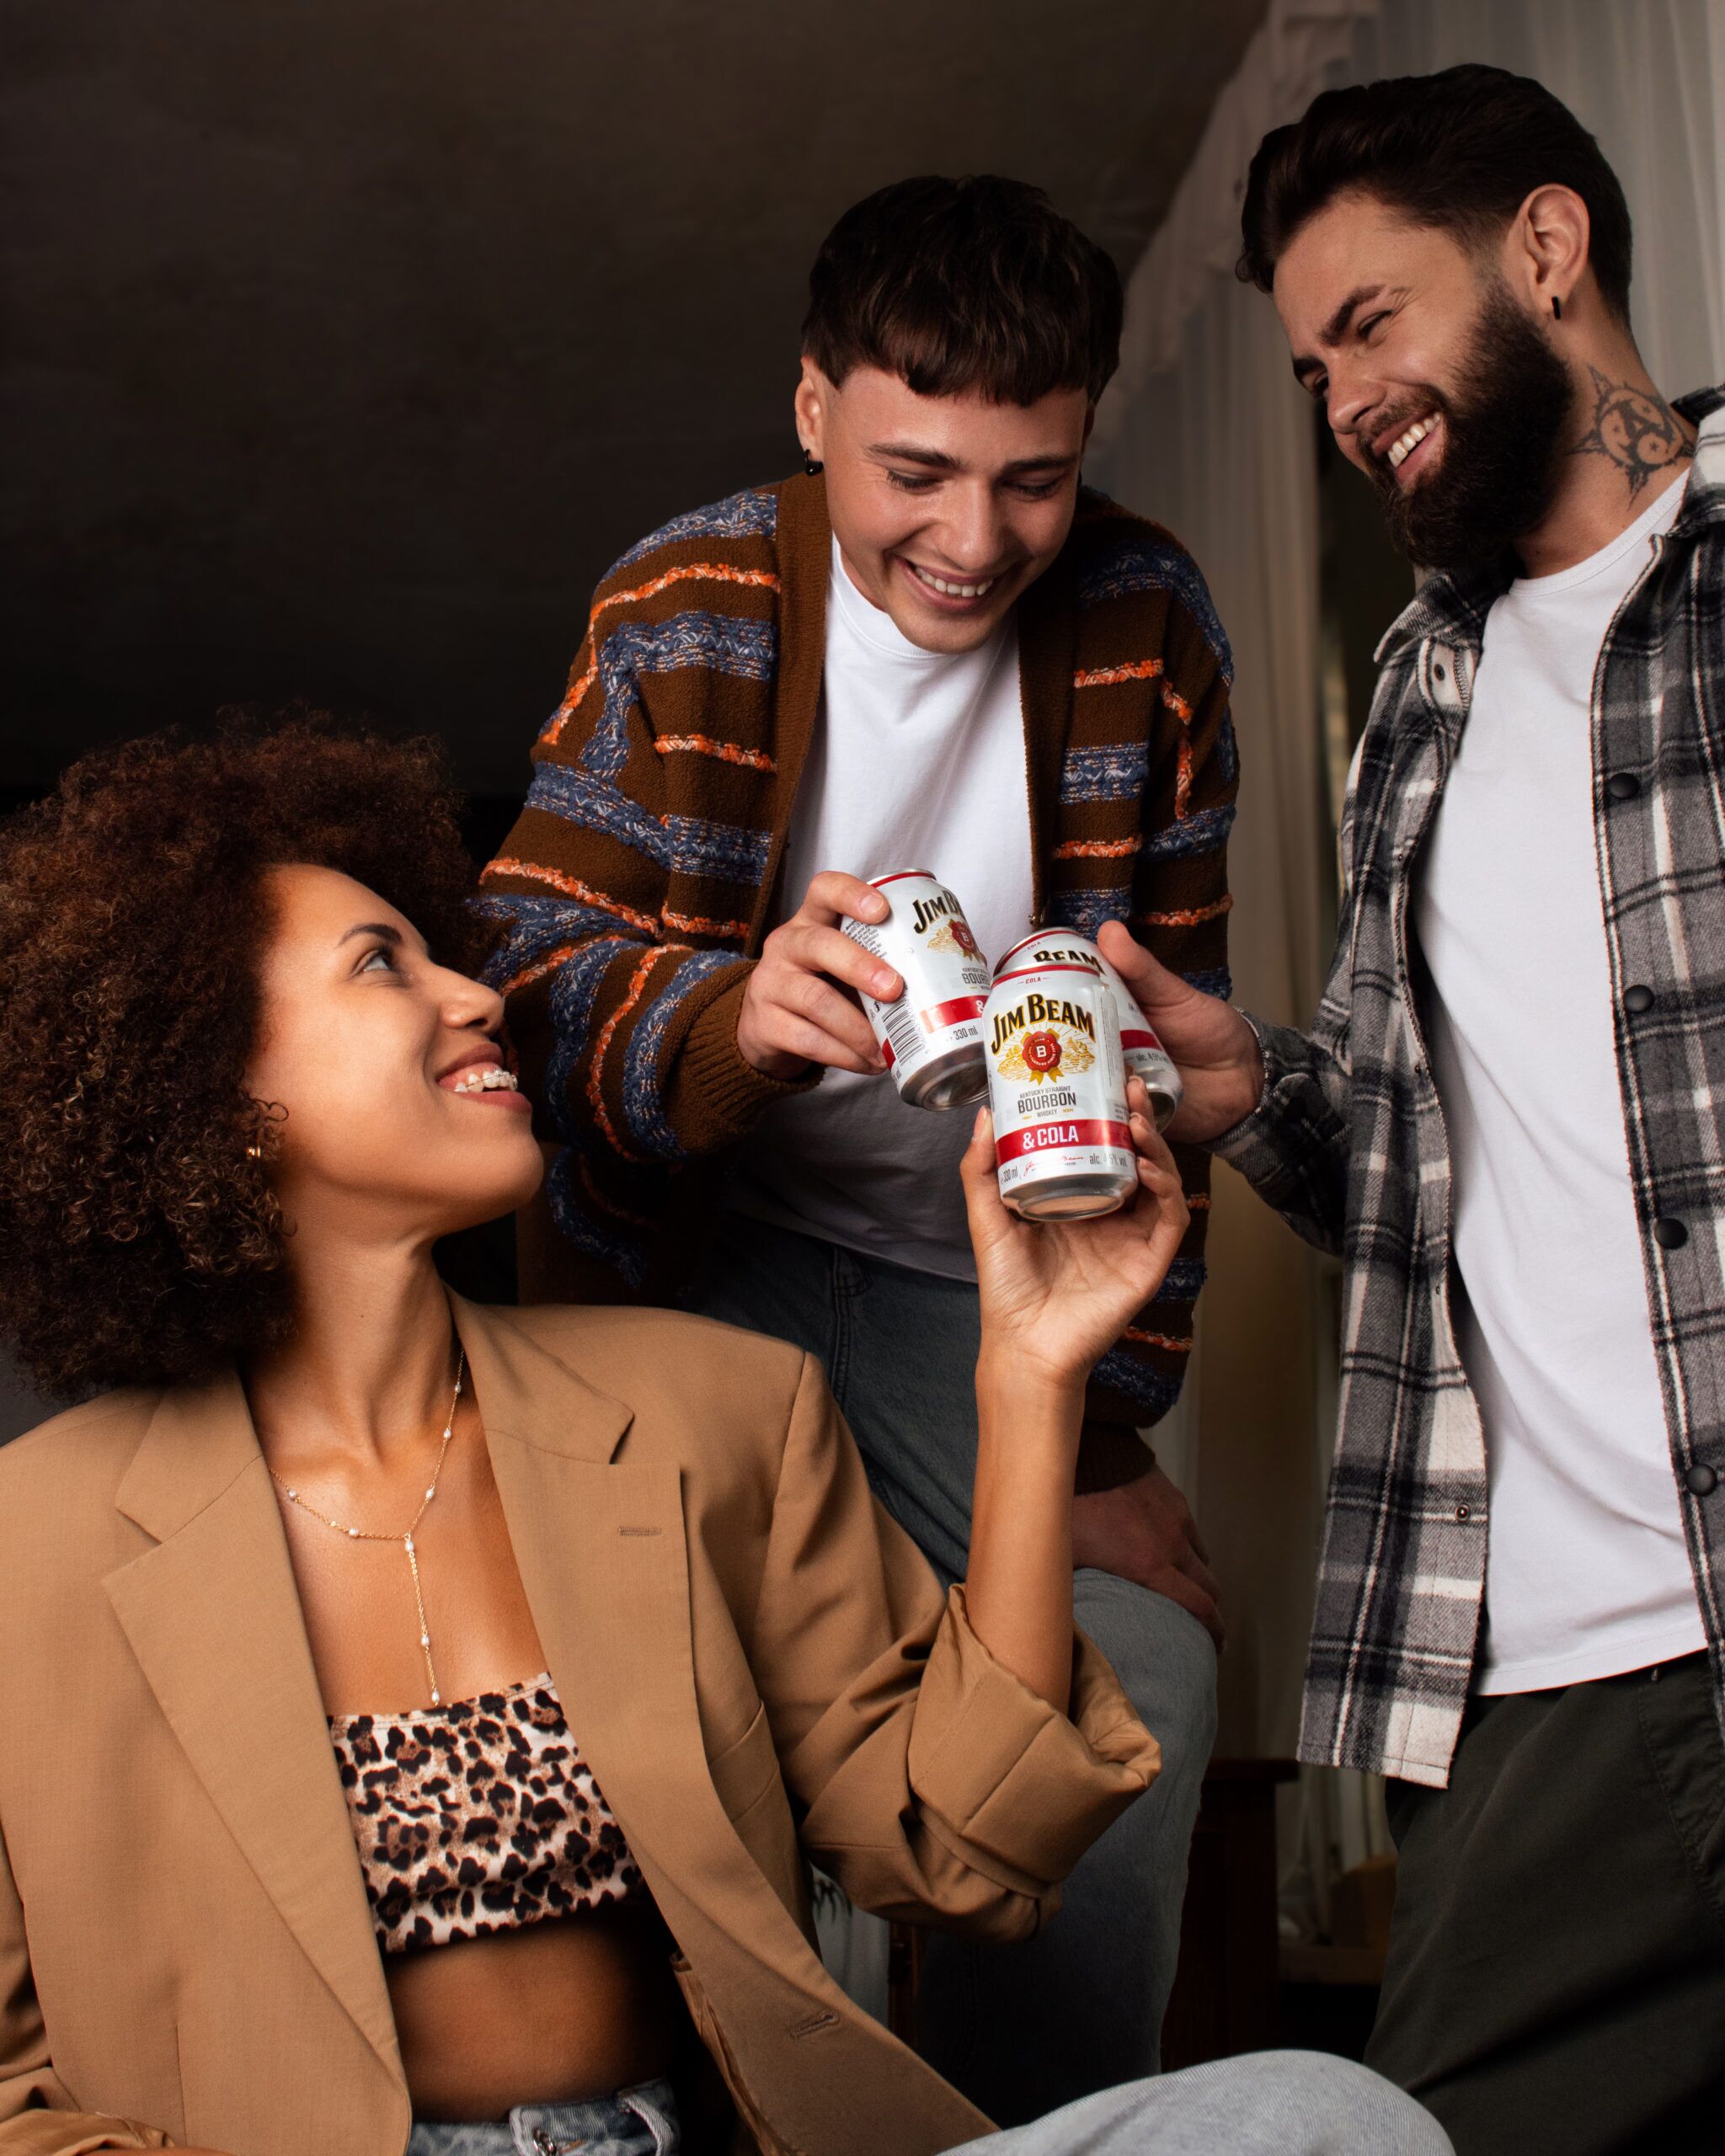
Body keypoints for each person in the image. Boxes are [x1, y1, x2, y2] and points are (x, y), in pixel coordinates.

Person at [0, 718, 1450, 2156]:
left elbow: (968, 1847)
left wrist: (1029, 1373)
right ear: (219, 1091)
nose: (480, 996)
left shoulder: (711, 1412)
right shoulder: (31, 1547)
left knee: (1330, 2118)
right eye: (383, 964)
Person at [481, 174, 1235, 2121]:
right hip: (693, 1270)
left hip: (968, 1283)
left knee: (1139, 1668)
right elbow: (522, 980)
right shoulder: (683, 603)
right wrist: (730, 1020)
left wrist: (1098, 1427)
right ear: (814, 407)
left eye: (1033, 480)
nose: (973, 542)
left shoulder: (1148, 621)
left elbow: (1169, 1022)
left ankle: (1037, 2134)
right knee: (711, 1719)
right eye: (917, 474)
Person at [1100, 61, 1725, 2156]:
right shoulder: (1418, 694)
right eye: (1309, 370)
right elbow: (1436, 1150)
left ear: (1544, 248)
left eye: (1370, 324)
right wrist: (1250, 1084)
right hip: (1545, 1675)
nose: (1345, 403)